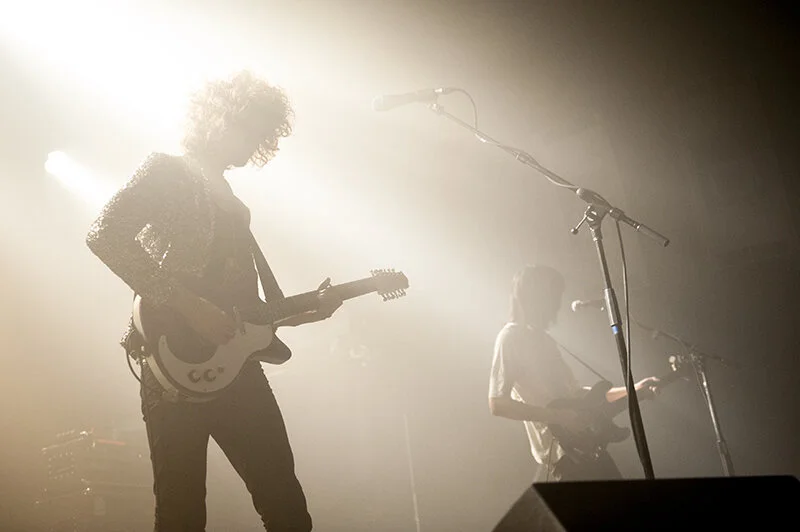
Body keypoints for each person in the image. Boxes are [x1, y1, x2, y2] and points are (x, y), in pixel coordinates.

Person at [86, 70, 342, 531]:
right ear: (219, 119)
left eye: (263, 134)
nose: (255, 143)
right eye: (251, 128)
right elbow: (104, 234)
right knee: (182, 514)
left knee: (286, 505)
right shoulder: (168, 171)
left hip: (238, 369)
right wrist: (187, 305)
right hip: (171, 364)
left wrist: (298, 313)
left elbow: (242, 306)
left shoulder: (234, 202)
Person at [488, 264, 659, 482]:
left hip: (589, 447)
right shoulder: (510, 338)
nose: (557, 305)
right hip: (565, 455)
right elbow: (497, 403)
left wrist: (634, 390)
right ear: (536, 298)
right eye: (553, 297)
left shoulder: (544, 340)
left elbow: (579, 396)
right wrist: (557, 416)